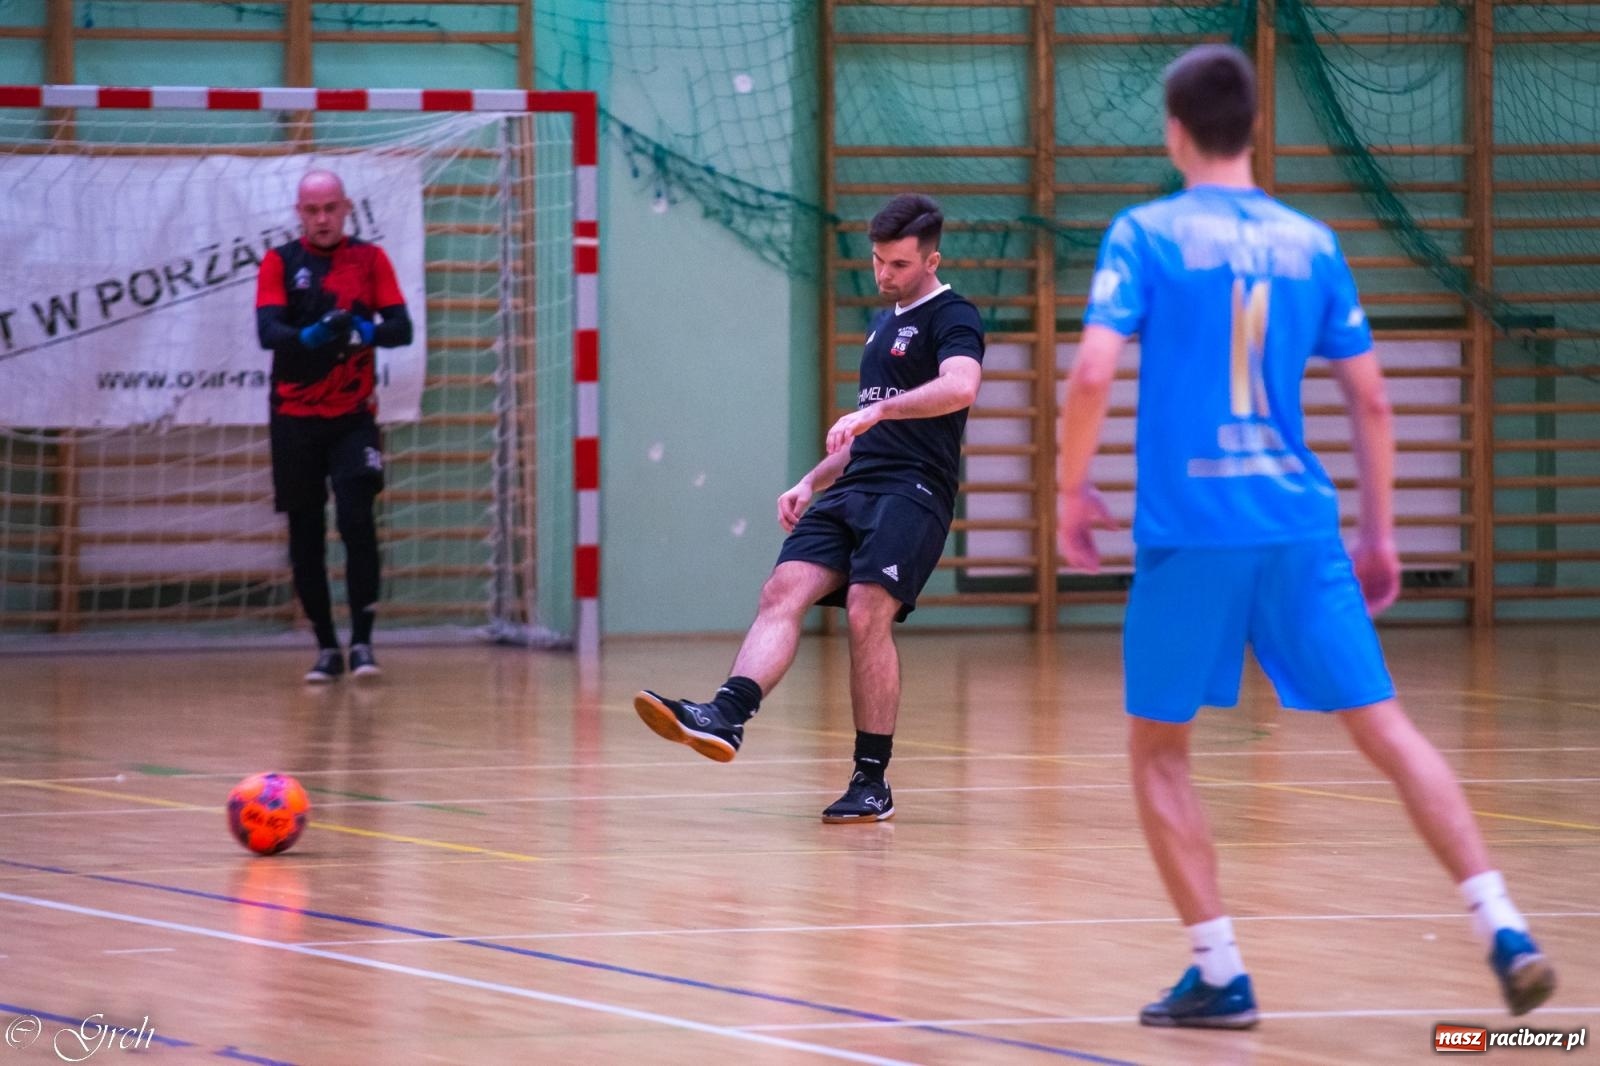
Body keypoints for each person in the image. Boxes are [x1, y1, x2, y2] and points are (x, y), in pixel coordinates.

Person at [1056, 44, 1556, 1028]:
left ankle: (1218, 970)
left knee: (1159, 755)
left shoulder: (1144, 234)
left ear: (1173, 131)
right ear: (1251, 129)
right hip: (1298, 526)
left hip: (1191, 534)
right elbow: (1369, 400)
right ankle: (1501, 921)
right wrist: (1377, 530)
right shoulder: (1312, 243)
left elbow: (1089, 376)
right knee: (1386, 730)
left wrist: (1068, 491)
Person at [633, 193, 985, 822]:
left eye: (899, 265)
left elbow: (961, 386)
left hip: (914, 491)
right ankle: (727, 715)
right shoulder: (881, 325)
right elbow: (867, 434)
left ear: (932, 258)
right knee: (782, 590)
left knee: (864, 610)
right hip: (855, 487)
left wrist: (879, 408)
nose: (884, 275)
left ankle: (871, 781)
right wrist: (810, 480)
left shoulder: (954, 315)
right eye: (878, 261)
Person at [255, 170, 413, 683]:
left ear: (346, 208)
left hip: (351, 419)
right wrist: (312, 335)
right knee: (305, 534)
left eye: (331, 208)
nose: (322, 218)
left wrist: (365, 329)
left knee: (356, 520)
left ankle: (363, 642)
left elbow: (401, 327)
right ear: (300, 214)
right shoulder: (281, 262)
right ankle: (326, 648)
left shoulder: (371, 259)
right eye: (312, 210)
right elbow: (267, 331)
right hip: (294, 419)